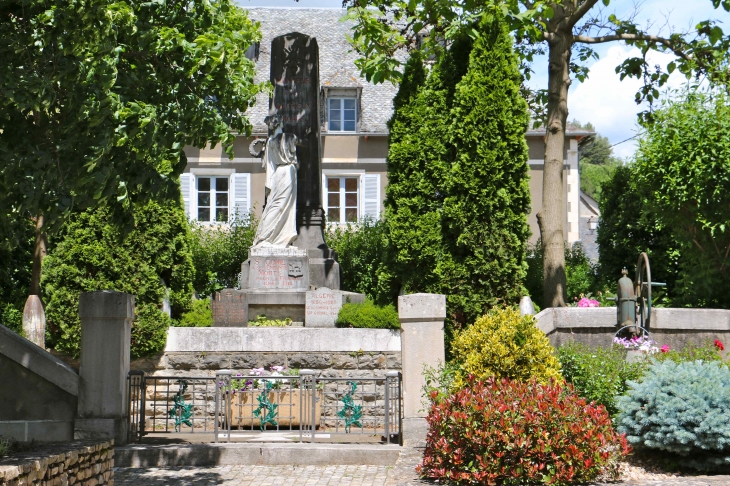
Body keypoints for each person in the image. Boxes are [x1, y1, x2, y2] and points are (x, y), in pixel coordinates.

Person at [250, 115, 299, 248]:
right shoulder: (290, 137)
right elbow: (300, 145)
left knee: (277, 204)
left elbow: (269, 165)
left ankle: (277, 238)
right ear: (281, 123)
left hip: (277, 173)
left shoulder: (270, 142)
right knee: (280, 205)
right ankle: (265, 237)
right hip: (288, 172)